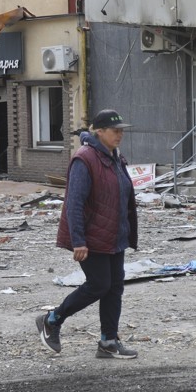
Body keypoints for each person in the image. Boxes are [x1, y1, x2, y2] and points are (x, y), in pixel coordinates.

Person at [36, 109, 139, 359]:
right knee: (99, 285)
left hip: (114, 236)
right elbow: (74, 203)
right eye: (115, 130)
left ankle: (108, 342)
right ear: (99, 131)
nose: (120, 134)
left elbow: (123, 196)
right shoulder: (85, 159)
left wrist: (127, 232)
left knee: (114, 287)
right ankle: (52, 319)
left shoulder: (115, 157)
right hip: (92, 238)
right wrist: (78, 240)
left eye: (122, 130)